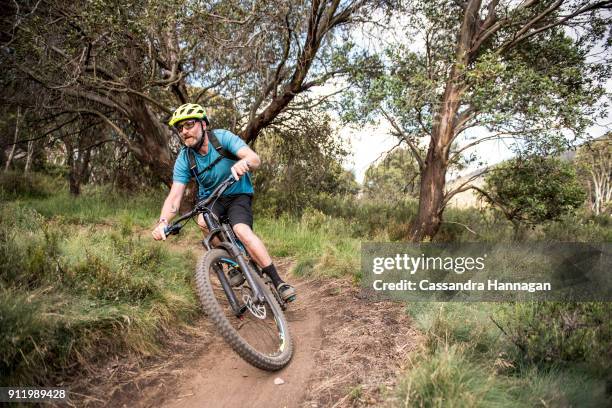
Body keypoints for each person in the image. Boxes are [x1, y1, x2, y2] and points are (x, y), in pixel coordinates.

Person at [151, 103, 296, 302]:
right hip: (212, 199)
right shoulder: (185, 158)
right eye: (180, 128)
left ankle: (278, 281)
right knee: (202, 221)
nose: (184, 131)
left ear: (203, 125)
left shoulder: (222, 138)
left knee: (242, 231)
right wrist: (163, 222)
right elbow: (174, 197)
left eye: (189, 125)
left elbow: (254, 158)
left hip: (238, 194)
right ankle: (232, 263)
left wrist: (244, 162)